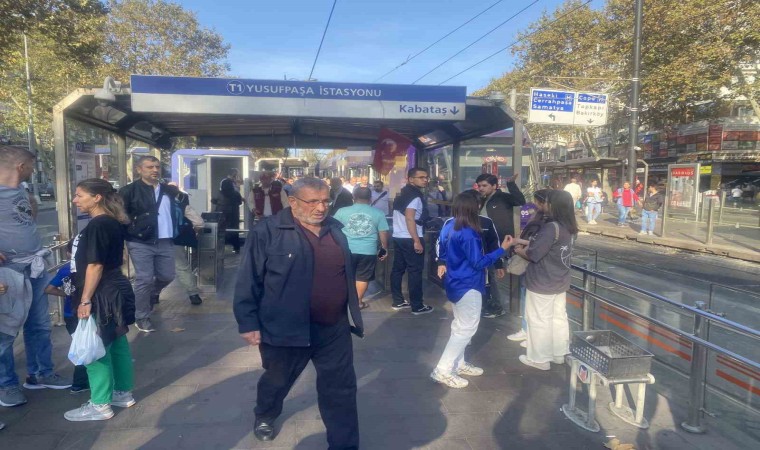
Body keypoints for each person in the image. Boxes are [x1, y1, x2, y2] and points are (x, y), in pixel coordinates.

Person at [234, 177, 364, 448]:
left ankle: (344, 445)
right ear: (292, 202)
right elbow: (249, 278)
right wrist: (248, 322)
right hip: (285, 328)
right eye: (313, 201)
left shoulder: (335, 229)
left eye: (325, 201)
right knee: (277, 379)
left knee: (341, 390)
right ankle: (265, 413)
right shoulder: (268, 231)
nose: (321, 208)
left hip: (334, 328)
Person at [1, 146, 70, 411]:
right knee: (5, 331)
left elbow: (28, 219)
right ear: (21, 166)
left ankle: (40, 373)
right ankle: (7, 383)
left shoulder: (23, 191)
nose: (32, 170)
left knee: (40, 324)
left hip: (34, 266)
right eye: (31, 166)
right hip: (8, 272)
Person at [65, 178, 136, 421]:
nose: (75, 200)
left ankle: (100, 404)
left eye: (79, 195)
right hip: (115, 288)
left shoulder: (97, 225)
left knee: (94, 347)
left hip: (99, 292)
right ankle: (122, 392)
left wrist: (85, 300)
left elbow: (94, 265)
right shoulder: (112, 222)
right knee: (116, 341)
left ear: (97, 198)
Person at [431, 193, 514, 388]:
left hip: (454, 282)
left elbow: (441, 250)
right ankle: (443, 369)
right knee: (466, 329)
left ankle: (458, 363)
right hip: (469, 284)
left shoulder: (449, 226)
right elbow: (478, 262)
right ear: (473, 207)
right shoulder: (469, 232)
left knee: (460, 326)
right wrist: (502, 249)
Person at [514, 190, 578, 370]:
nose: (545, 205)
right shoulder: (570, 227)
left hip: (542, 280)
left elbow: (534, 254)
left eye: (549, 202)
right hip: (560, 279)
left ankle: (539, 359)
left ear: (555, 205)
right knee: (558, 317)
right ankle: (559, 353)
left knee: (538, 319)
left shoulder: (552, 227)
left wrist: (519, 250)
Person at [119, 155, 180, 333]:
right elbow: (120, 217)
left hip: (165, 240)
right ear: (139, 170)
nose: (154, 170)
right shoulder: (128, 191)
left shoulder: (168, 191)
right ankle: (141, 316)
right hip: (139, 241)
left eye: (157, 167)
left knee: (167, 276)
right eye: (149, 167)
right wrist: (122, 243)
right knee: (144, 279)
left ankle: (150, 294)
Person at [475, 173, 526, 318]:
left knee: (493, 274)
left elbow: (520, 200)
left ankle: (497, 306)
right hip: (486, 243)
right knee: (488, 275)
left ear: (494, 186)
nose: (481, 188)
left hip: (499, 243)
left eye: (484, 186)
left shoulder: (502, 197)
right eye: (479, 186)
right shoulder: (482, 199)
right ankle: (490, 304)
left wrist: (510, 184)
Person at [45, 240, 90, 393]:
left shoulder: (65, 269)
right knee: (88, 345)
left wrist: (65, 294)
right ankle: (80, 382)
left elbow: (49, 288)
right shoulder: (88, 267)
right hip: (85, 311)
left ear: (69, 253)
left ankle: (81, 382)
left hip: (69, 313)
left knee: (79, 345)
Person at [334, 187, 389, 309]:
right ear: (370, 198)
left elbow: (333, 230)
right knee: (363, 277)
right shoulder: (378, 213)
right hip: (368, 251)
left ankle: (342, 301)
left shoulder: (341, 211)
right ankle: (357, 302)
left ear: (353, 197)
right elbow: (383, 232)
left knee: (344, 275)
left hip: (345, 250)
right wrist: (384, 248)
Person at [507, 189, 549, 344]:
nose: (535, 204)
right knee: (527, 297)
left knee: (536, 303)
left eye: (538, 201)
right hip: (529, 261)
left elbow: (540, 244)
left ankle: (533, 335)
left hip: (536, 264)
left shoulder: (549, 222)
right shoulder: (538, 216)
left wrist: (521, 245)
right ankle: (526, 330)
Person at [391, 167, 434, 315]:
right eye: (421, 177)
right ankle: (417, 305)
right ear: (411, 179)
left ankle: (398, 301)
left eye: (426, 177)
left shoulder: (402, 194)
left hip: (398, 237)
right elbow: (410, 217)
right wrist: (416, 240)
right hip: (411, 238)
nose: (425, 180)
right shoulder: (415, 197)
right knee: (415, 272)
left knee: (398, 269)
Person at [170, 184, 204, 305]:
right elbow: (199, 222)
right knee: (182, 266)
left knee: (154, 269)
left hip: (156, 241)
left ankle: (155, 294)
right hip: (176, 240)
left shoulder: (153, 205)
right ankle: (193, 294)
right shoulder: (182, 205)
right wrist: (193, 231)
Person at [217, 168, 243, 253]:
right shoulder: (226, 182)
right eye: (235, 175)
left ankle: (235, 246)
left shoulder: (232, 183)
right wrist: (239, 198)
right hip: (227, 209)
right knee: (227, 228)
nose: (236, 177)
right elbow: (231, 194)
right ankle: (225, 245)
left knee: (234, 228)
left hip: (232, 209)